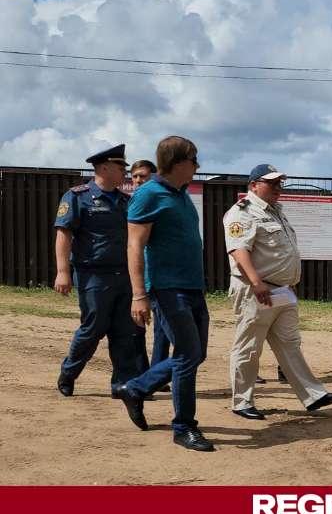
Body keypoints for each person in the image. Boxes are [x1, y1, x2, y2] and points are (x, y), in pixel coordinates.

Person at [222, 164, 332, 420]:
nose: (278, 187)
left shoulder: (276, 211)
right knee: (249, 346)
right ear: (254, 185)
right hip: (256, 290)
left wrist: (289, 280)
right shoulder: (242, 212)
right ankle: (242, 401)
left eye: (280, 183)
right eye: (272, 183)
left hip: (281, 291)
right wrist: (257, 283)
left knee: (290, 343)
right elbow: (239, 250)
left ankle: (313, 395)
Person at [115, 136, 215, 451]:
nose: (198, 165)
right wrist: (139, 295)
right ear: (174, 162)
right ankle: (184, 427)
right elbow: (135, 245)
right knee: (186, 355)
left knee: (197, 354)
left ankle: (135, 389)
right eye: (193, 159)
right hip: (167, 288)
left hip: (193, 287)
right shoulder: (147, 195)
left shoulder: (181, 194)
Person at [53, 144, 139, 397]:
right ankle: (69, 372)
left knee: (125, 331)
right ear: (104, 168)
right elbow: (63, 234)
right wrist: (62, 271)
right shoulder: (77, 196)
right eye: (120, 166)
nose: (125, 171)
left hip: (124, 275)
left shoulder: (126, 201)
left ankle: (123, 385)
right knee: (94, 327)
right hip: (93, 274)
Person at [129, 159, 171, 385]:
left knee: (162, 331)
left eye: (142, 176)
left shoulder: (156, 203)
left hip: (154, 275)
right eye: (134, 176)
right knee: (135, 330)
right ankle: (140, 374)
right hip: (134, 276)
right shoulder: (128, 204)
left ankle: (157, 377)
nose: (137, 180)